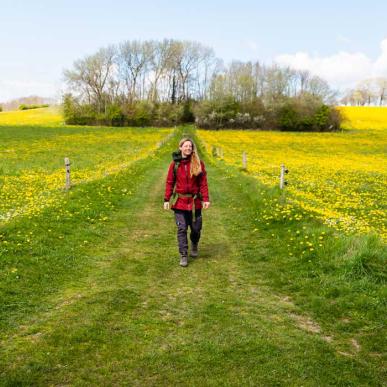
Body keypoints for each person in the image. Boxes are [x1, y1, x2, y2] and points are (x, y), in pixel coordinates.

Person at [164, 137, 210, 267]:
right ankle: (183, 254)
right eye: (186, 146)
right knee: (182, 228)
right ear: (180, 148)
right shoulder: (175, 164)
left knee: (196, 228)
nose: (188, 148)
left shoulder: (198, 163)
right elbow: (169, 182)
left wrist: (205, 199)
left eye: (190, 146)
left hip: (195, 203)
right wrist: (166, 199)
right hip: (180, 202)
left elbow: (203, 183)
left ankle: (194, 244)